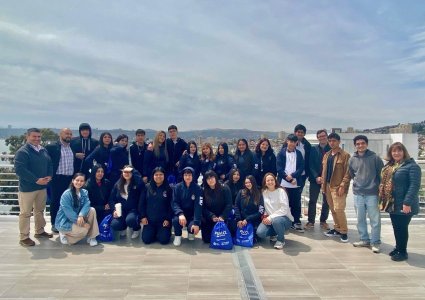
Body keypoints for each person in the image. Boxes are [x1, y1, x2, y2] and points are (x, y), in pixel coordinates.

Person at [379, 142, 421, 261]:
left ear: (404, 152)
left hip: (405, 204)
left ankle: (403, 252)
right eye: (394, 151)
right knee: (396, 227)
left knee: (402, 228)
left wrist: (407, 203)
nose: (396, 153)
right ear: (391, 153)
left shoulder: (412, 166)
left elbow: (414, 186)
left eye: (399, 151)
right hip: (393, 204)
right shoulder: (390, 166)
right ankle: (398, 248)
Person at [14, 128, 53, 247]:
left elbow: (49, 163)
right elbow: (20, 170)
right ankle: (24, 237)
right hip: (27, 188)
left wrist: (49, 176)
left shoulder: (43, 150)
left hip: (42, 187)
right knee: (25, 213)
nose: (37, 139)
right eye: (34, 137)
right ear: (27, 137)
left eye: (39, 137)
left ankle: (39, 231)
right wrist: (36, 180)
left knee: (39, 211)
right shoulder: (22, 152)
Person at [349, 135, 384, 253]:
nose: (360, 145)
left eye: (362, 143)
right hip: (358, 193)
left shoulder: (375, 158)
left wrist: (378, 188)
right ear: (355, 145)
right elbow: (352, 174)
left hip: (372, 193)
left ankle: (375, 242)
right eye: (358, 144)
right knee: (360, 218)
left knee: (375, 219)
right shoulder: (352, 159)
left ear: (366, 144)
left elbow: (381, 174)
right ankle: (364, 239)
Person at [55, 173, 99, 246]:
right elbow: (68, 213)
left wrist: (81, 215)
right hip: (65, 222)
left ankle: (92, 237)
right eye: (77, 180)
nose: (79, 182)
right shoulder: (66, 194)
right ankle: (65, 235)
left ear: (84, 182)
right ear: (73, 181)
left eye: (81, 181)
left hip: (78, 218)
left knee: (92, 210)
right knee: (84, 230)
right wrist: (83, 224)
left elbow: (87, 204)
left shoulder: (84, 192)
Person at [322, 133, 351, 243]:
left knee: (339, 209)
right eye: (330, 141)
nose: (332, 143)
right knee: (333, 209)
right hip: (328, 185)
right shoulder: (327, 155)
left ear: (339, 141)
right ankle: (337, 228)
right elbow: (324, 172)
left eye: (334, 140)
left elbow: (348, 173)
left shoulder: (345, 155)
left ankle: (344, 231)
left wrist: (343, 185)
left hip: (338, 186)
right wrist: (323, 186)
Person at [46, 128, 74, 233]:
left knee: (67, 201)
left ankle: (64, 222)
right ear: (60, 134)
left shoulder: (72, 147)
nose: (69, 135)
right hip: (57, 178)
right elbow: (46, 161)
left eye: (70, 134)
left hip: (69, 179)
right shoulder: (52, 147)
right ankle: (54, 223)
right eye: (67, 133)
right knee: (56, 201)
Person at [256, 173, 293, 249]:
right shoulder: (264, 192)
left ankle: (281, 240)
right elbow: (265, 207)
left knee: (277, 220)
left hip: (284, 219)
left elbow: (284, 209)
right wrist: (265, 217)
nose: (270, 182)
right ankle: (277, 232)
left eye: (272, 180)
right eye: (268, 180)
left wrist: (270, 217)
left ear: (275, 181)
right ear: (265, 183)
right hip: (271, 219)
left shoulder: (281, 191)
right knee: (260, 232)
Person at [276, 134, 305, 232]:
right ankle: (284, 222)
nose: (292, 143)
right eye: (290, 141)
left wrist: (293, 176)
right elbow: (279, 168)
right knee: (284, 203)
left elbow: (301, 167)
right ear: (287, 141)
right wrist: (287, 178)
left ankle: (296, 222)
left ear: (296, 142)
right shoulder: (281, 153)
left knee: (296, 203)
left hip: (295, 182)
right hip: (284, 183)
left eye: (294, 142)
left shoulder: (299, 153)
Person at [305, 129, 331, 230]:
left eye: (324, 136)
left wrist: (324, 177)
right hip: (315, 179)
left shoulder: (331, 149)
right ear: (317, 138)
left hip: (327, 179)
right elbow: (310, 164)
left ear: (327, 137)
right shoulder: (313, 149)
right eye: (320, 136)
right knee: (312, 200)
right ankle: (311, 221)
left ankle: (323, 221)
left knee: (326, 201)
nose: (322, 138)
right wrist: (316, 176)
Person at [139, 167, 173, 245]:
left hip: (163, 221)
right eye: (156, 174)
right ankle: (154, 232)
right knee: (146, 240)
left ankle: (161, 232)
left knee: (164, 240)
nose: (158, 176)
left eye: (161, 174)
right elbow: (141, 203)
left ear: (164, 176)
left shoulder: (169, 189)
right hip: (149, 221)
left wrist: (168, 219)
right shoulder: (147, 187)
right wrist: (143, 217)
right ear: (153, 176)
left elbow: (171, 205)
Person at [109, 166, 144, 239]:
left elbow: (140, 180)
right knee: (115, 224)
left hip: (133, 210)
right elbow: (112, 199)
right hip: (121, 210)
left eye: (129, 172)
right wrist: (114, 210)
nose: (127, 174)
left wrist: (133, 170)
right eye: (125, 172)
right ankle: (123, 228)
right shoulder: (118, 184)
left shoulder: (137, 183)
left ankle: (136, 229)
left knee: (131, 220)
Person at [172, 167, 202, 246]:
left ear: (193, 176)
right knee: (175, 220)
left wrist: (196, 223)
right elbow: (174, 202)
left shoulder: (198, 189)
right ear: (183, 176)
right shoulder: (177, 187)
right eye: (185, 175)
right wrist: (180, 214)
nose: (188, 177)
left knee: (194, 227)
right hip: (181, 214)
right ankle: (178, 235)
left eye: (189, 175)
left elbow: (198, 206)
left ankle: (190, 232)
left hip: (192, 215)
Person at [201, 170, 233, 243]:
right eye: (208, 178)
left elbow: (229, 204)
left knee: (223, 238)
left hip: (223, 217)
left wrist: (222, 216)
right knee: (207, 240)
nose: (210, 180)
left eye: (212, 177)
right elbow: (202, 207)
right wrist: (211, 216)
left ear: (215, 177)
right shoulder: (203, 190)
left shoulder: (225, 188)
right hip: (210, 217)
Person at [235, 175, 264, 241]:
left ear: (253, 182)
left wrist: (247, 219)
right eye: (246, 183)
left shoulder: (259, 193)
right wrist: (239, 219)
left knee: (258, 234)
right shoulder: (241, 192)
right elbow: (236, 206)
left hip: (254, 219)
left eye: (249, 182)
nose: (247, 184)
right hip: (242, 219)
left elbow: (261, 211)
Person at [294, 124, 312, 190]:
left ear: (304, 134)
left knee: (298, 193)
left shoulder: (307, 145)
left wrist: (307, 173)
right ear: (295, 132)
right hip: (289, 174)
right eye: (298, 132)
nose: (300, 134)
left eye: (302, 132)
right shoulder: (288, 143)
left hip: (302, 174)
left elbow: (309, 160)